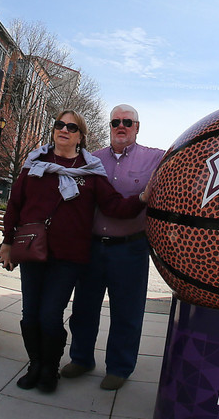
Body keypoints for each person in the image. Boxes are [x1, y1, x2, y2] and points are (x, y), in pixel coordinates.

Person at [0, 109, 147, 394]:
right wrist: (7, 241)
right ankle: (35, 365)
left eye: (71, 127)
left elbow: (113, 206)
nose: (64, 130)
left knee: (50, 316)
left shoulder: (90, 171)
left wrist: (142, 198)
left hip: (67, 258)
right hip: (32, 251)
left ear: (81, 136)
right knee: (30, 315)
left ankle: (50, 369)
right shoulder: (34, 163)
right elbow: (15, 204)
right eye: (59, 125)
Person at [61, 104, 165, 391]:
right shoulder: (91, 160)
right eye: (115, 122)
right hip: (92, 247)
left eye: (127, 122)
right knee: (83, 308)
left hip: (130, 249)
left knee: (127, 312)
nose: (121, 126)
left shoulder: (155, 158)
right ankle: (81, 358)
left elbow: (184, 163)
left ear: (137, 127)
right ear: (109, 126)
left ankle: (119, 367)